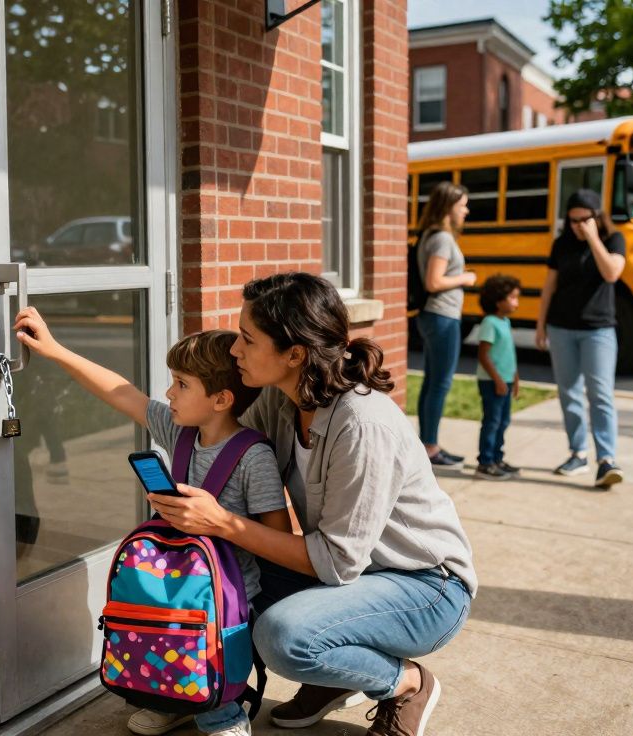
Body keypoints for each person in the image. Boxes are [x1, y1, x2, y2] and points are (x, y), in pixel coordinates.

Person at [146, 273, 476, 736]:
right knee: (225, 574)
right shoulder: (281, 403)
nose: (235, 350)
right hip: (355, 575)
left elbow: (337, 562)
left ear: (294, 354)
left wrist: (221, 522)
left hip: (424, 588)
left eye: (246, 338)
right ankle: (322, 677)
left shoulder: (361, 424)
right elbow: (193, 423)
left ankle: (405, 683)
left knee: (283, 635)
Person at [13, 308, 293, 736]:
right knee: (155, 630)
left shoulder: (253, 457)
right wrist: (53, 350)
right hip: (174, 575)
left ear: (221, 399)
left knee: (206, 643)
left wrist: (217, 523)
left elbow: (278, 537)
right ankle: (170, 696)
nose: (169, 392)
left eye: (182, 384)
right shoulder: (178, 431)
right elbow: (121, 392)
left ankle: (222, 712)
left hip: (228, 593)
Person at [535, 189, 626, 488]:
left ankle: (607, 460)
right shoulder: (561, 244)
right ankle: (578, 453)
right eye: (573, 220)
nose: (578, 226)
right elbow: (550, 286)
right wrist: (541, 324)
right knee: (569, 393)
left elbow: (612, 272)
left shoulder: (614, 240)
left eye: (584, 219)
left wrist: (593, 239)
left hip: (598, 330)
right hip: (562, 328)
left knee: (600, 394)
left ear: (597, 217)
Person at [414, 181, 478, 469]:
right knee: (440, 383)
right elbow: (434, 281)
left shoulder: (432, 235)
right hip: (442, 316)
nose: (466, 210)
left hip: (435, 316)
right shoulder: (441, 238)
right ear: (449, 206)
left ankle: (428, 444)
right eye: (462, 204)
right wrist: (465, 278)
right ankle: (429, 447)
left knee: (432, 382)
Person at [474, 274, 522, 480]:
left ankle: (497, 458)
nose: (516, 302)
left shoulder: (505, 322)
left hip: (506, 381)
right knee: (492, 421)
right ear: (498, 300)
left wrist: (515, 378)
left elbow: (507, 353)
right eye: (512, 298)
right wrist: (498, 380)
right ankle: (485, 462)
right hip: (492, 382)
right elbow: (483, 355)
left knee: (503, 421)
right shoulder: (490, 323)